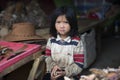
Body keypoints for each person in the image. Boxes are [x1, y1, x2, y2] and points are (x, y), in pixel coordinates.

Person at [43, 6, 84, 80]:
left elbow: (79, 65)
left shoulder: (76, 42)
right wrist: (53, 67)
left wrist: (65, 72)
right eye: (58, 22)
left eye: (66, 22)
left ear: (72, 23)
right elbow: (47, 57)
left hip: (71, 75)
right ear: (54, 24)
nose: (62, 26)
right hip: (54, 71)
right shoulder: (51, 40)